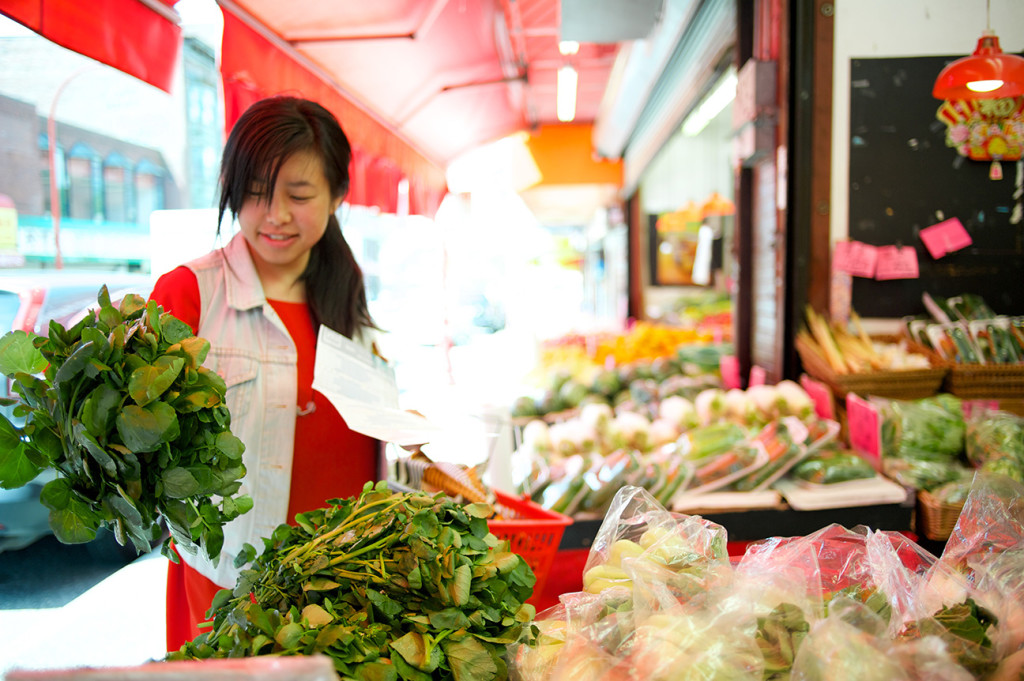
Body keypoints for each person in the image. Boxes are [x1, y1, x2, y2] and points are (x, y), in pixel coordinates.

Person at [149, 96, 381, 652]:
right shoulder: (189, 294)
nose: (274, 215)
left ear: (337, 196)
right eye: (255, 193)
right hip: (231, 587)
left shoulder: (346, 297)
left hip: (342, 584)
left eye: (299, 196)